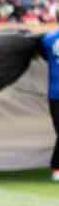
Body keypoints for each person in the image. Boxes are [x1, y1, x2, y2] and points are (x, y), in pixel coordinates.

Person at [41, 26, 59, 181]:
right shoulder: (48, 39)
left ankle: (56, 166)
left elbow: (45, 56)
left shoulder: (47, 38)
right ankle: (56, 167)